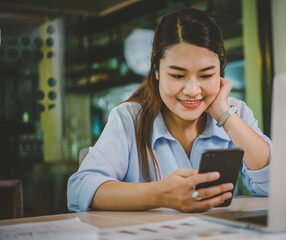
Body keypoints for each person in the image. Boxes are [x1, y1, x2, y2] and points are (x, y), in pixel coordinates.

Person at [67, 8, 271, 213]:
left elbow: (277, 183)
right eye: (178, 76)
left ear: (220, 71)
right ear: (156, 71)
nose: (192, 91)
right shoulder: (129, 118)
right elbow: (79, 189)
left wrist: (225, 115)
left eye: (206, 75)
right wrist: (159, 195)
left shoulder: (234, 112)